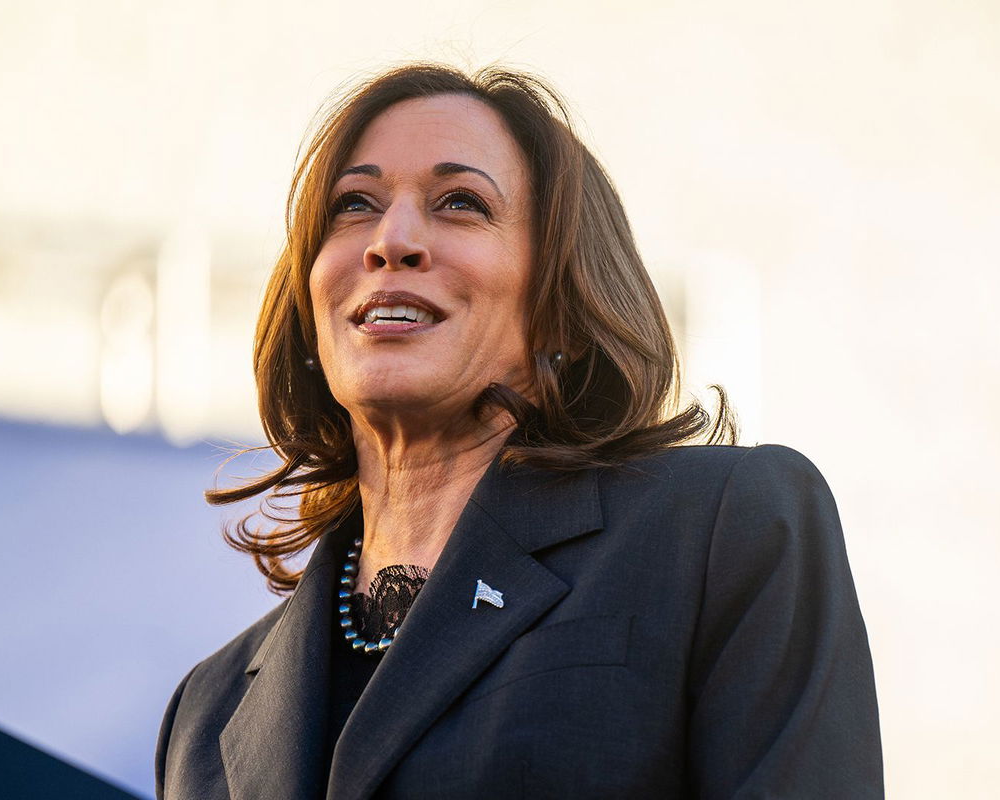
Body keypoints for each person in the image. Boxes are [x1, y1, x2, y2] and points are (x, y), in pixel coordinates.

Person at [154, 63, 883, 799]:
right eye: (354, 205)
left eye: (460, 202)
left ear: (562, 305)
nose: (392, 240)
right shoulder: (205, 714)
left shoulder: (725, 528)